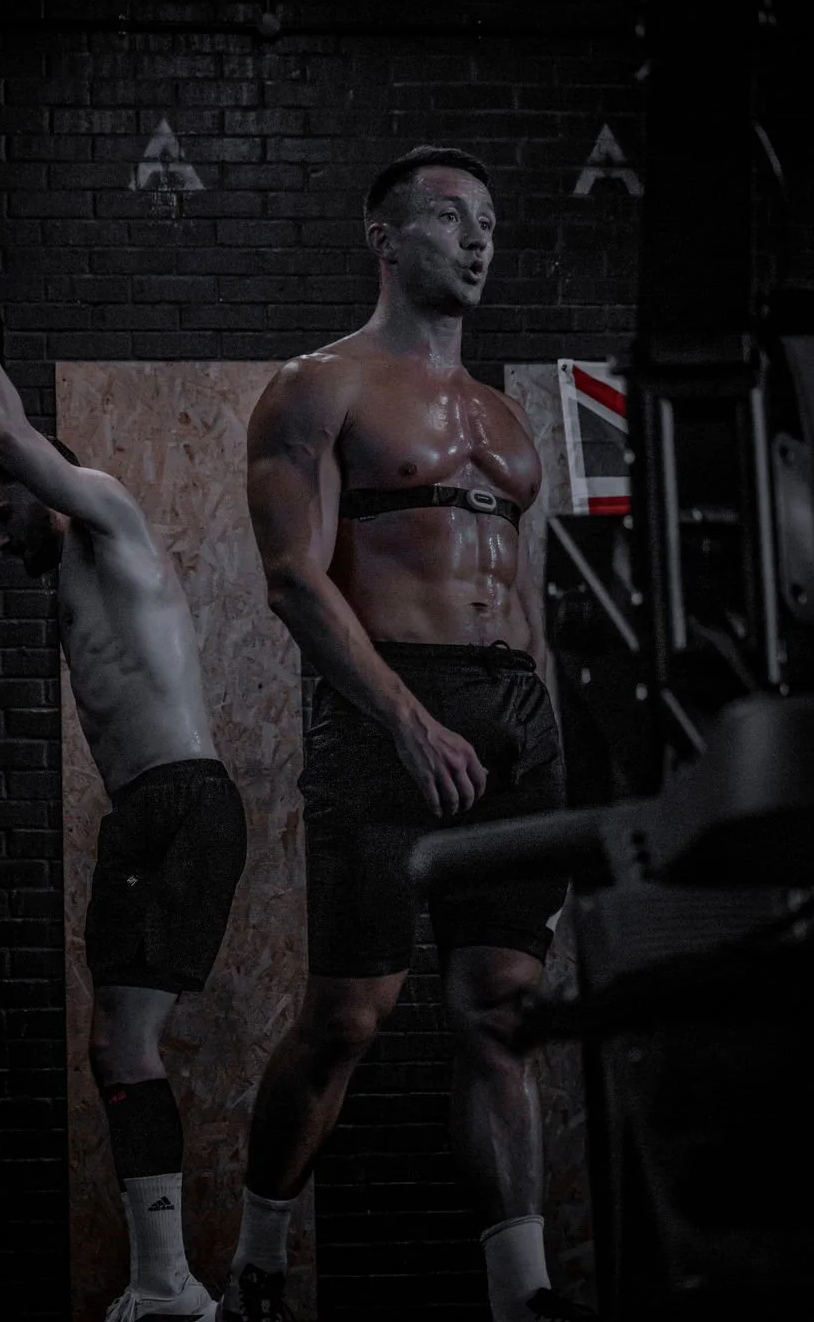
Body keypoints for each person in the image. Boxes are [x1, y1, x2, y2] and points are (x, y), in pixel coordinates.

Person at [219, 147, 593, 1322]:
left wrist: (544, 738)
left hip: (512, 726)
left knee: (499, 1017)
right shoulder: (317, 386)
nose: (477, 239)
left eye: (488, 220)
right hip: (386, 710)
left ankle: (519, 1294)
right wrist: (407, 718)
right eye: (448, 218)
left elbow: (515, 595)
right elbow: (293, 582)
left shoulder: (501, 416)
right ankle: (258, 1265)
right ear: (384, 236)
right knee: (348, 1018)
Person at [0, 244, 247, 1322]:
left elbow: (10, 434)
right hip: (146, 815)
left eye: (0, 513)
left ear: (40, 491)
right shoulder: (68, 561)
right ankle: (166, 1285)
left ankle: (173, 1288)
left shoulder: (106, 516)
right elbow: (2, 432)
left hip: (183, 804)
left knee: (127, 1043)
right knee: (116, 1045)